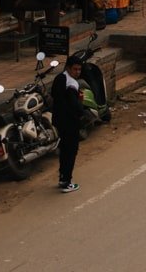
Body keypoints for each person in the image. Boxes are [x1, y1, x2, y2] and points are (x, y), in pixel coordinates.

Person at [51, 54, 86, 193]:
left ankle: (62, 177)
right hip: (69, 122)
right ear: (68, 68)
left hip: (59, 120)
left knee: (64, 150)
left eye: (79, 69)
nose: (77, 72)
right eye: (75, 69)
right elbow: (74, 105)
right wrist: (80, 113)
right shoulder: (72, 84)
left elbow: (55, 96)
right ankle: (66, 182)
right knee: (71, 151)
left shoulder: (59, 78)